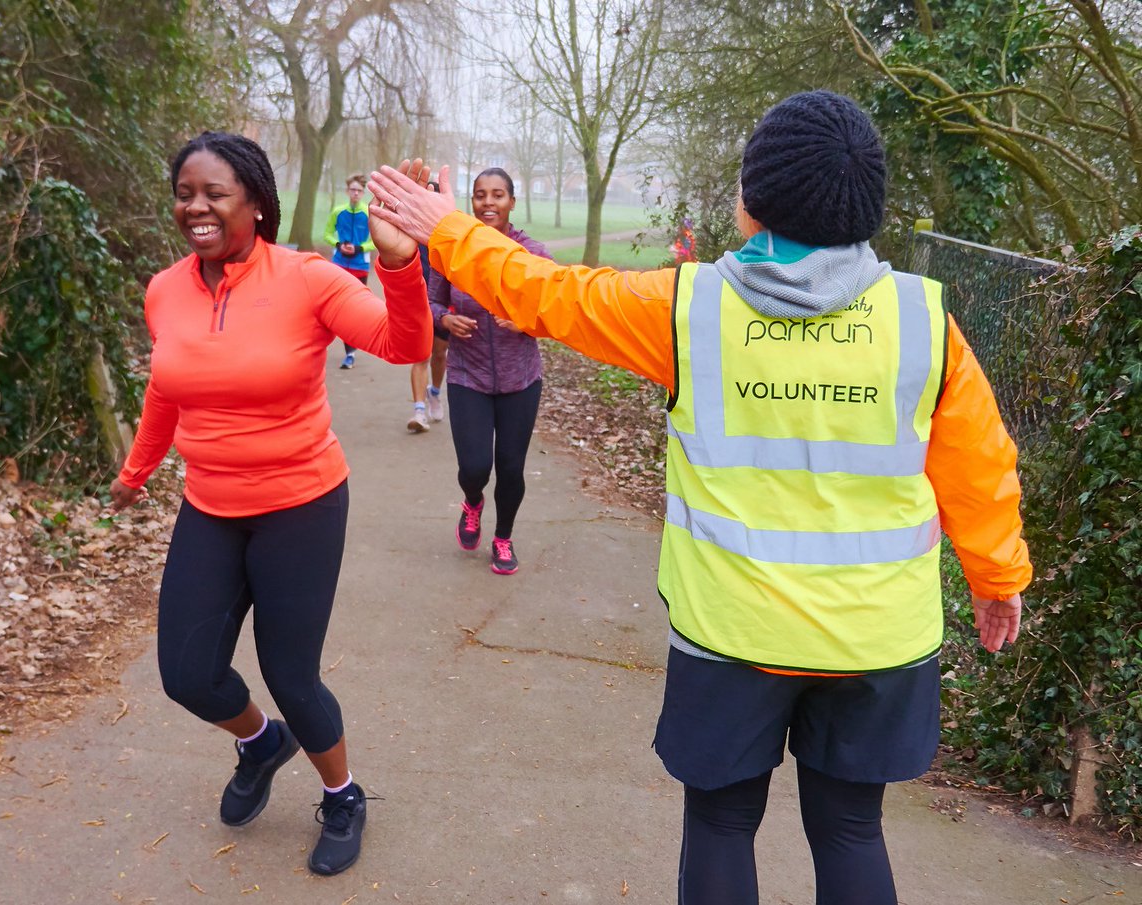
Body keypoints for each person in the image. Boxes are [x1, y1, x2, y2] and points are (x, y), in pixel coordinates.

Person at [368, 91, 1032, 904]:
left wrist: (446, 228)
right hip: (878, 643)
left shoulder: (689, 309)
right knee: (853, 831)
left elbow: (542, 292)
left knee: (721, 828)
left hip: (731, 633)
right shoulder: (924, 322)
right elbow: (981, 468)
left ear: (753, 203)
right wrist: (998, 580)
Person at [108, 133, 432, 877]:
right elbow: (166, 388)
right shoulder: (165, 289)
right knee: (187, 674)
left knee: (292, 673)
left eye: (215, 193)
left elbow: (401, 340)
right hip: (210, 504)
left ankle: (343, 794)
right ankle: (260, 741)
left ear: (256, 202)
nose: (197, 206)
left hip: (301, 504)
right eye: (186, 192)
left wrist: (396, 261)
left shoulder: (307, 279)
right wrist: (136, 471)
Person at [427, 167, 552, 574]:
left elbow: (555, 304)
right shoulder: (452, 251)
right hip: (468, 375)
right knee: (475, 466)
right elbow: (427, 304)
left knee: (512, 468)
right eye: (480, 195)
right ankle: (473, 501)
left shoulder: (531, 253)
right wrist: (444, 319)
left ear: (511, 203)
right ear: (472, 201)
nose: (488, 203)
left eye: (498, 195)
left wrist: (527, 321)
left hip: (521, 379)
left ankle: (503, 538)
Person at [407, 182, 449, 433]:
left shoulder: (450, 233)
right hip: (418, 302)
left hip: (443, 305)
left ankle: (434, 392)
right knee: (420, 355)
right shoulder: (412, 232)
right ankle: (419, 411)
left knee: (439, 354)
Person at [325, 173, 377, 369]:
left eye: (359, 191)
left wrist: (359, 248)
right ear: (348, 191)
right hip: (339, 264)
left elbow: (374, 241)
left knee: (353, 308)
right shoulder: (338, 212)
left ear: (363, 193)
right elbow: (327, 234)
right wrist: (338, 244)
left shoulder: (368, 213)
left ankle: (350, 352)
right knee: (336, 307)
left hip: (359, 267)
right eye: (353, 190)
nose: (355, 193)